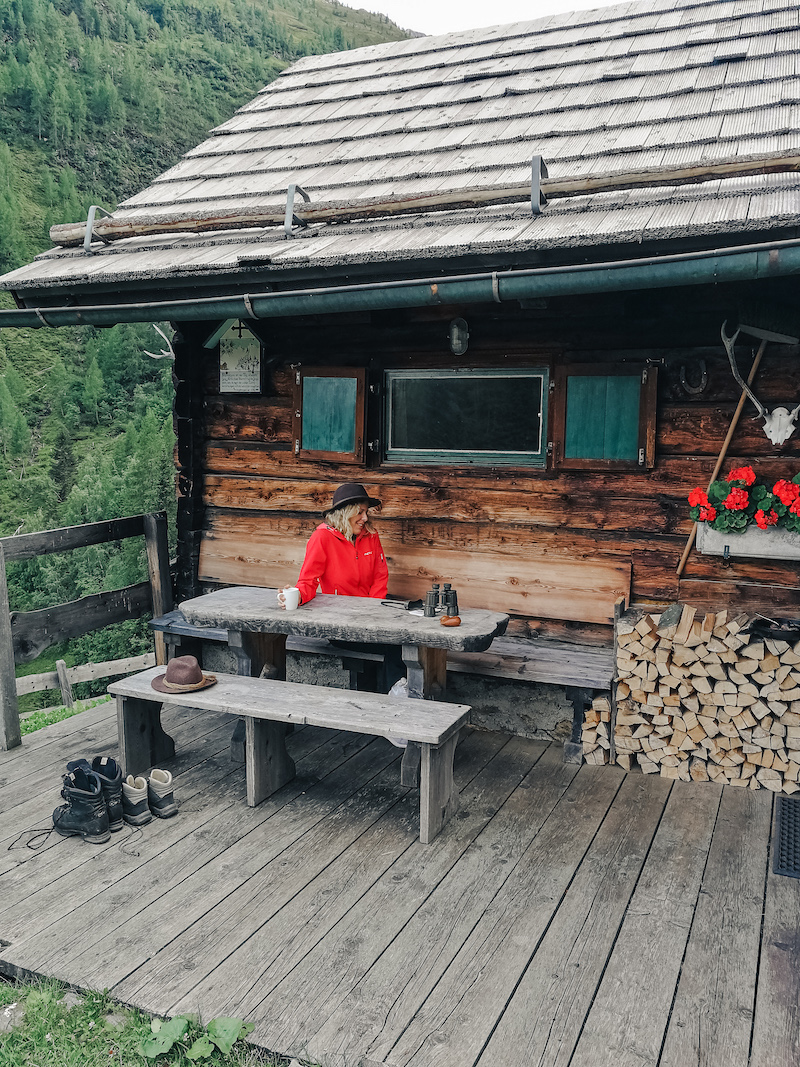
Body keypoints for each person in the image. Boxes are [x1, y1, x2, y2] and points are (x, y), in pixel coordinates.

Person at [295, 482, 388, 605]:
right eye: (360, 512)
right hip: (336, 610)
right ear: (344, 514)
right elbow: (308, 580)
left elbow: (380, 577)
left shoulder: (371, 535)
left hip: (369, 609)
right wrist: (298, 596)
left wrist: (374, 607)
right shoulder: (322, 537)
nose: (365, 518)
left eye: (366, 512)